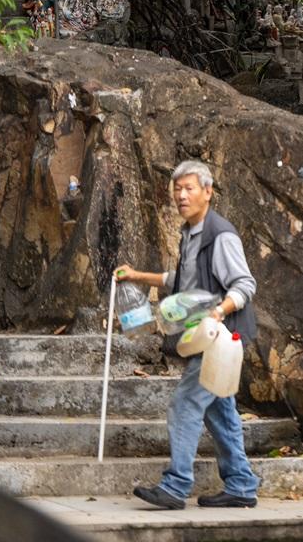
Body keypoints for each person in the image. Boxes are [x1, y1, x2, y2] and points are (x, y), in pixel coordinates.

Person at [115, 160, 261, 509]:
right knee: (218, 411)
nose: (181, 195)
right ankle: (241, 484)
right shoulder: (190, 233)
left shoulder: (220, 234)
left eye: (189, 188)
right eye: (177, 189)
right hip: (202, 337)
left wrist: (220, 310)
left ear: (207, 192)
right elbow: (179, 282)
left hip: (220, 337)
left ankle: (176, 486)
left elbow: (245, 284)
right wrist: (136, 276)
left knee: (185, 404)